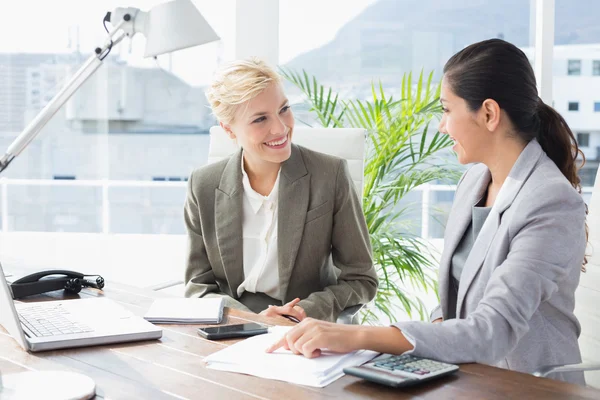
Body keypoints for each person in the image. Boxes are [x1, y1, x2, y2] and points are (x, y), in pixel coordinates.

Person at [266, 39, 588, 385]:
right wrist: (428, 341)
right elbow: (454, 306)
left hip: (529, 386)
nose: (441, 125)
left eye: (447, 110)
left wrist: (352, 336)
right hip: (465, 377)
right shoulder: (474, 182)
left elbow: (492, 331)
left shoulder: (550, 201)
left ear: (490, 114)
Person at [183, 57, 378, 323]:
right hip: (232, 325)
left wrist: (302, 312)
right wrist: (248, 318)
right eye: (260, 119)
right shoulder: (203, 185)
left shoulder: (329, 175)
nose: (281, 127)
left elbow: (361, 279)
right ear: (229, 130)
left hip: (305, 327)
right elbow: (198, 285)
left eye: (284, 109)